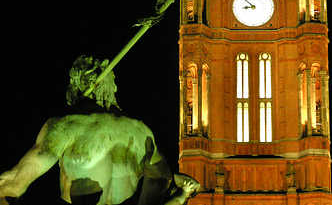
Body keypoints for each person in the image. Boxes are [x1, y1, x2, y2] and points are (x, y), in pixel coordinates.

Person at [0, 55, 199, 205]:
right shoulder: (141, 132)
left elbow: (13, 183)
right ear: (110, 87)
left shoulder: (66, 127)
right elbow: (162, 179)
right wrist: (180, 187)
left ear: (77, 86)